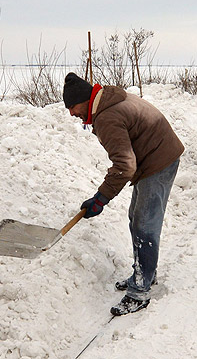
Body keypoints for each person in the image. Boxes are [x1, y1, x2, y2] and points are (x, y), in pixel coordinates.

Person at [63, 72, 185, 316]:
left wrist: (101, 198)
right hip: (154, 155)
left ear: (85, 101)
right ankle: (144, 274)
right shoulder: (109, 100)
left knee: (144, 225)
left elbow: (125, 166)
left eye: (73, 106)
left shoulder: (107, 116)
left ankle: (140, 291)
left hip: (159, 160)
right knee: (136, 219)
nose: (72, 113)